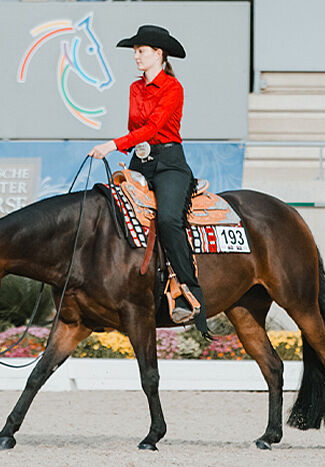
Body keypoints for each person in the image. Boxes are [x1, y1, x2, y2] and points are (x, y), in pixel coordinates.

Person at [88, 25, 205, 326]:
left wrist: (112, 145)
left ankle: (189, 291)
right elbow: (136, 129)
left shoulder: (173, 88)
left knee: (168, 220)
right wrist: (126, 148)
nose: (136, 56)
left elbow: (153, 128)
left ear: (158, 54)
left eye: (141, 51)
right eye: (135, 51)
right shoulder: (134, 87)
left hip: (169, 163)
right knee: (113, 211)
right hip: (140, 161)